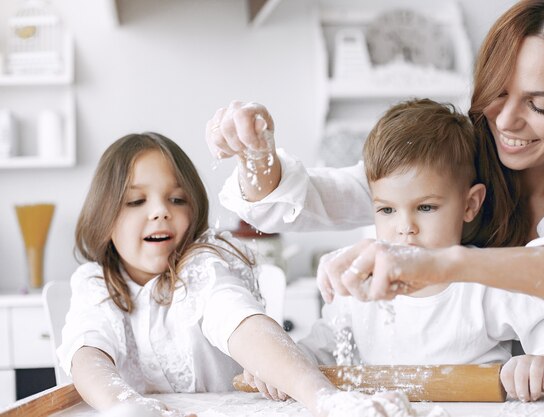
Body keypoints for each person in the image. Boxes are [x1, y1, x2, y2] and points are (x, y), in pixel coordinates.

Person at [206, 0, 544, 374]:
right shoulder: (453, 163)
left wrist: (449, 264)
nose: (505, 121)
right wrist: (255, 154)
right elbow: (316, 196)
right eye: (497, 92)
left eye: (541, 105)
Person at [242, 98, 544, 402]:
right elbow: (319, 350)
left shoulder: (483, 282)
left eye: (426, 207)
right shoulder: (360, 289)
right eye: (386, 209)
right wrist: (279, 367)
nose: (405, 227)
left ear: (470, 204)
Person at [57, 132, 411, 417]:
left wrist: (323, 399)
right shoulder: (95, 281)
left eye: (177, 199)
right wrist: (127, 406)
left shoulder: (203, 264)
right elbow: (88, 356)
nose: (161, 212)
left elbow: (242, 323)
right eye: (136, 202)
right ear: (104, 216)